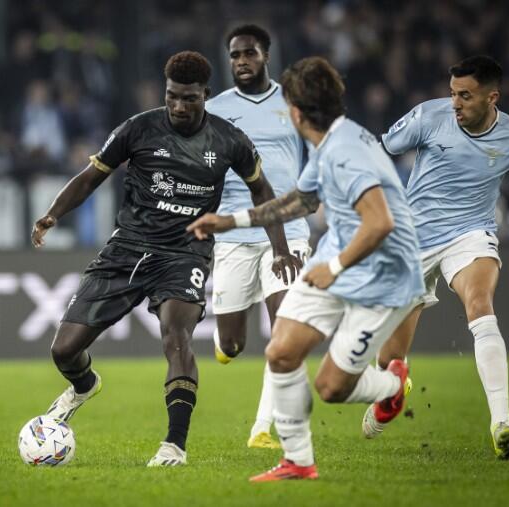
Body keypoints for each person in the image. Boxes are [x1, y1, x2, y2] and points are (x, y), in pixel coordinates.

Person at [31, 51, 298, 467]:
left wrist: (280, 249)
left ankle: (174, 445)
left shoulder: (229, 140)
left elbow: (262, 192)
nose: (178, 106)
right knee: (63, 351)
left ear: (205, 94)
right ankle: (84, 386)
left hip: (184, 253)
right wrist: (53, 214)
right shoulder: (138, 129)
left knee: (177, 337)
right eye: (172, 96)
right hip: (127, 249)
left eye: (189, 98)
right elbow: (90, 177)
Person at [187, 56, 425, 481]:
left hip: (382, 276)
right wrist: (230, 221)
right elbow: (301, 201)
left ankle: (391, 385)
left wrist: (334, 266)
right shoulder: (329, 141)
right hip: (338, 258)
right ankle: (298, 461)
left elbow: (379, 222)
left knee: (331, 387)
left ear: (295, 112)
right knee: (281, 352)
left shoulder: (346, 151)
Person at [366, 55, 509, 459]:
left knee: (481, 306)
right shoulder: (429, 117)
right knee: (389, 359)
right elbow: (380, 149)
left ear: (492, 98)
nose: (455, 103)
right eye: (452, 94)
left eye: (465, 96)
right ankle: (394, 385)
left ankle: (501, 424)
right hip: (413, 241)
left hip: (470, 235)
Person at [205, 24, 308, 450]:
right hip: (235, 232)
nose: (242, 61)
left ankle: (263, 428)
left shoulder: (295, 101)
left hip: (289, 230)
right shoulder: (214, 109)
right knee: (232, 343)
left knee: (284, 329)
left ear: (266, 55)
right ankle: (225, 341)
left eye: (249, 53)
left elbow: (321, 153)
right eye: (235, 55)